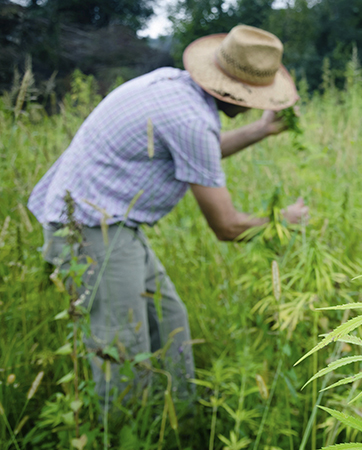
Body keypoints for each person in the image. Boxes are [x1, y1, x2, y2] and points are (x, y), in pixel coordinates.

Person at [27, 25, 309, 403]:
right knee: (121, 349)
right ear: (233, 92)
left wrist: (260, 131)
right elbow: (226, 227)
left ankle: (180, 423)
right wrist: (281, 223)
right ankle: (127, 432)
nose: (257, 106)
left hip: (113, 228)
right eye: (256, 98)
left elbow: (197, 152)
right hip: (90, 232)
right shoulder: (191, 120)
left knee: (170, 325)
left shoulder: (173, 86)